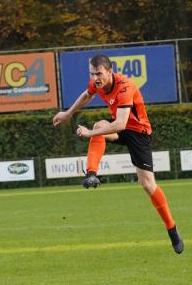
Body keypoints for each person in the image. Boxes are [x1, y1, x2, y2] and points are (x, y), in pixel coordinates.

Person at [53, 54, 184, 254]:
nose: (95, 78)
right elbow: (87, 95)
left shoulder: (125, 87)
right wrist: (68, 113)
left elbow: (121, 124)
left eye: (99, 73)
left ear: (110, 71)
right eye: (92, 73)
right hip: (119, 127)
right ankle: (91, 174)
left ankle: (172, 229)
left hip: (138, 133)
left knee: (148, 185)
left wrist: (89, 133)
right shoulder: (96, 83)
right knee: (99, 125)